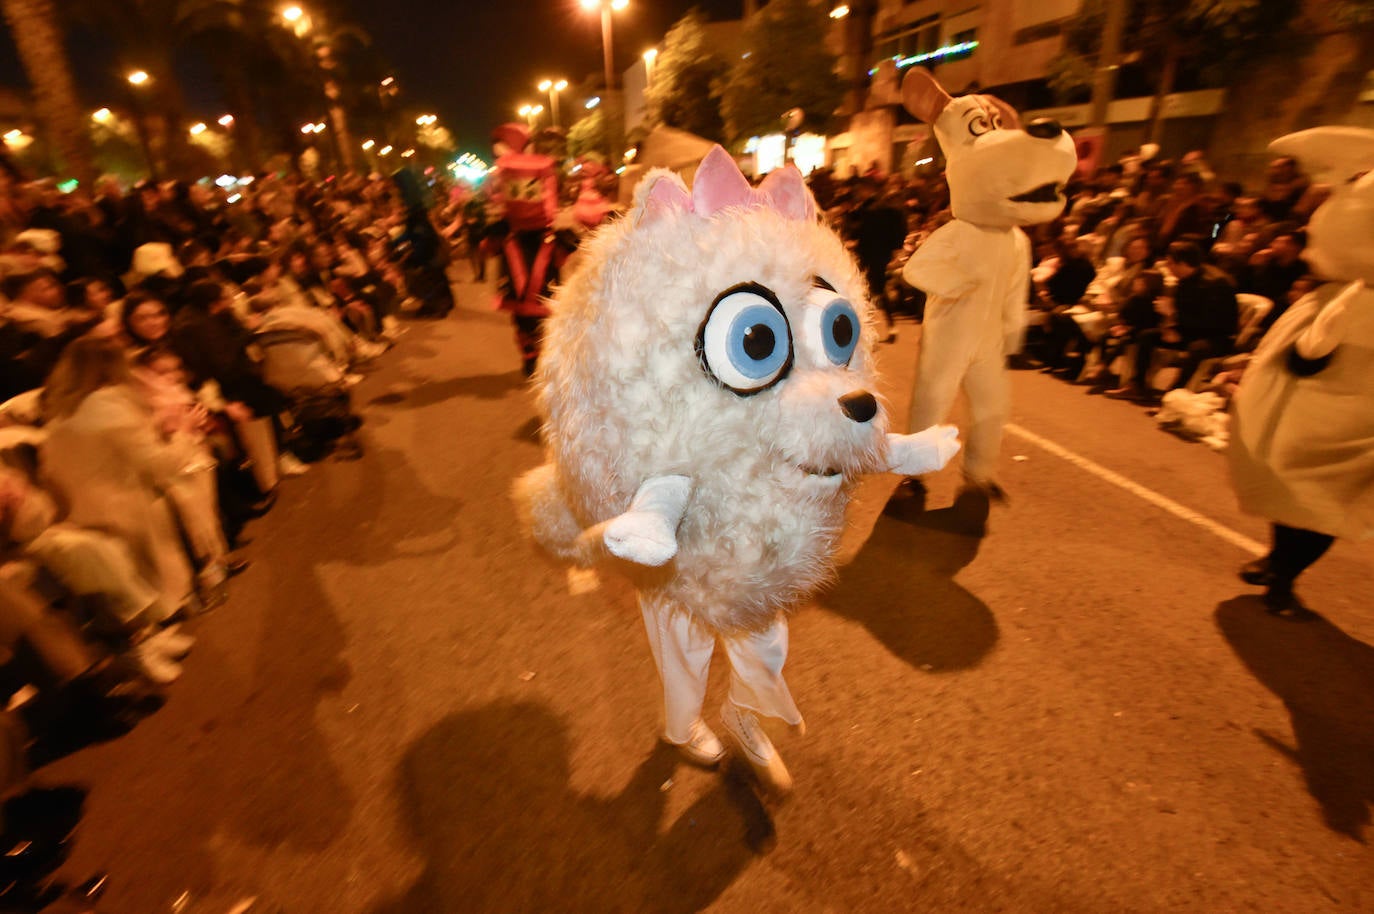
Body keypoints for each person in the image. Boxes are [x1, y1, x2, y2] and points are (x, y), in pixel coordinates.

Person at [1108, 241, 1238, 400]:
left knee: (1197, 349)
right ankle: (1136, 385)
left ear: (1182, 264)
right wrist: (1170, 328)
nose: (1167, 267)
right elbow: (1182, 311)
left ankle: (1174, 395)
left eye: (1170, 263)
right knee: (1146, 336)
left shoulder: (1216, 284)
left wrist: (1175, 317)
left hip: (1216, 336)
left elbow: (1215, 322)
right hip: (1189, 328)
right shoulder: (1185, 278)